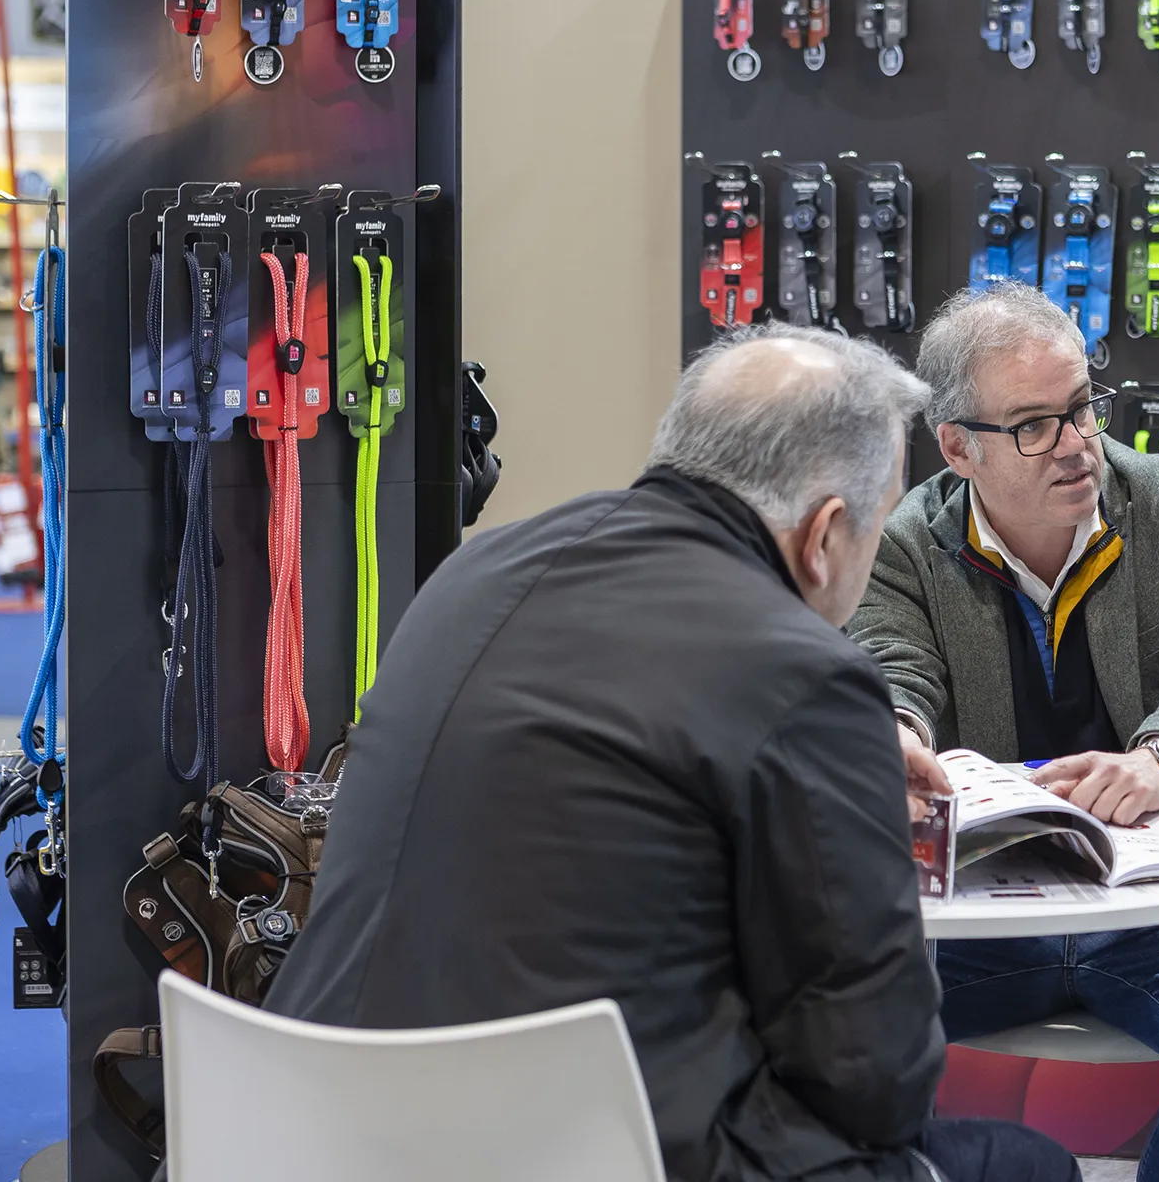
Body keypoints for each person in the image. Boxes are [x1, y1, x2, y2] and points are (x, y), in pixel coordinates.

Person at [265, 325, 1080, 1182]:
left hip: (312, 1125)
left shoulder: (481, 571)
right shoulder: (805, 671)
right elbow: (876, 1084)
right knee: (1026, 1166)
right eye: (876, 534)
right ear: (825, 534)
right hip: (594, 1152)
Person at [848, 284, 1159, 1182]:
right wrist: (895, 732)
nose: (1078, 444)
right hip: (977, 912)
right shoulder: (908, 541)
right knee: (828, 1012)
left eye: (1082, 407)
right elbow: (891, 664)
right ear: (957, 447)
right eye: (1034, 425)